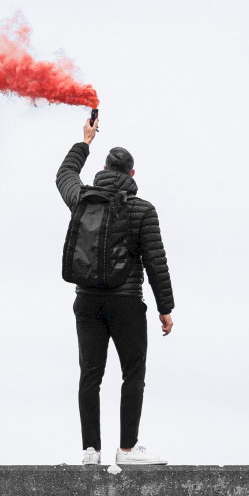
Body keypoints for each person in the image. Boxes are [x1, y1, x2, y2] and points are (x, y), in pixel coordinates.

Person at [56, 115, 174, 466]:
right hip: (126, 303)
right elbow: (155, 262)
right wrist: (165, 308)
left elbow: (64, 174)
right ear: (132, 174)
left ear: (105, 169)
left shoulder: (83, 199)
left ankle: (90, 451)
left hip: (87, 302)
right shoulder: (143, 210)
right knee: (132, 374)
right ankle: (127, 450)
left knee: (90, 375)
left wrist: (85, 141)